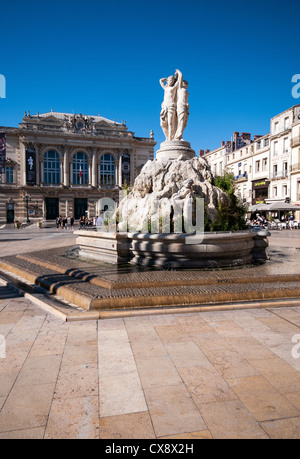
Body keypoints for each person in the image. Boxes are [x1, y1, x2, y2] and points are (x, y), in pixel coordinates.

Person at [159, 70, 181, 141]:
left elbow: (179, 79)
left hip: (171, 106)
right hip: (164, 106)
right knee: (162, 124)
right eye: (169, 80)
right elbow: (161, 80)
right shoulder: (165, 88)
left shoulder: (174, 87)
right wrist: (167, 78)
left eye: (172, 80)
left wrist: (177, 75)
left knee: (170, 123)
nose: (171, 81)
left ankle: (170, 138)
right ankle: (167, 137)